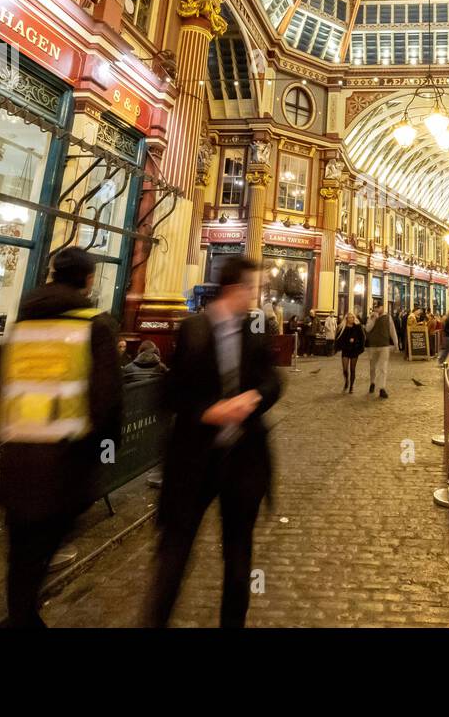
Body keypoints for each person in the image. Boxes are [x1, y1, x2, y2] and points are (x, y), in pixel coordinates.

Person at [0, 247, 122, 628]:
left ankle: (20, 615)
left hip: (18, 457)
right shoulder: (95, 325)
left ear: (51, 273)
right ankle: (22, 619)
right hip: (67, 461)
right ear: (89, 279)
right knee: (46, 542)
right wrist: (106, 451)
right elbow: (107, 398)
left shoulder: (20, 326)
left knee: (22, 550)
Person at [145, 256, 282, 627]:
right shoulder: (192, 329)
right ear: (235, 290)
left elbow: (272, 380)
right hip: (193, 461)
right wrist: (208, 412)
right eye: (252, 289)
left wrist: (254, 398)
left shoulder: (255, 331)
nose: (256, 296)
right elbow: (169, 393)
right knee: (175, 549)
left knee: (238, 554)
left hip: (243, 463)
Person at [365, 301, 398, 399]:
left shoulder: (388, 317)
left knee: (383, 367)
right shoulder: (371, 317)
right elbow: (367, 329)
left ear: (382, 307)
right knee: (372, 367)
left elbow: (392, 330)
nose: (376, 309)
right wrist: (373, 320)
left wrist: (396, 344)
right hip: (373, 346)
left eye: (378, 307)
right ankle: (372, 382)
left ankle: (382, 388)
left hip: (384, 345)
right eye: (375, 307)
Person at [335, 312, 366, 393]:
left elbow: (362, 337)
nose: (351, 319)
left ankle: (351, 386)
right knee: (345, 369)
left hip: (354, 350)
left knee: (352, 369)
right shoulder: (343, 327)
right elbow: (338, 338)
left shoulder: (357, 327)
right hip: (345, 349)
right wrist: (340, 346)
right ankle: (346, 381)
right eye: (349, 317)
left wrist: (357, 344)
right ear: (346, 319)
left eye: (352, 317)